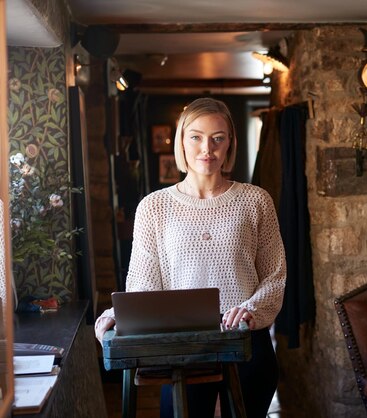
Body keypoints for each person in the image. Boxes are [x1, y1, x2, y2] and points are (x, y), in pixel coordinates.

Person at [94, 97, 287, 418]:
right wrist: (119, 313)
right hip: (183, 347)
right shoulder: (154, 207)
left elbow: (275, 275)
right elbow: (144, 283)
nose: (206, 148)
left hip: (247, 343)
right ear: (181, 142)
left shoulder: (255, 201)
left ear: (230, 144)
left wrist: (251, 310)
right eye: (196, 136)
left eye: (218, 138)